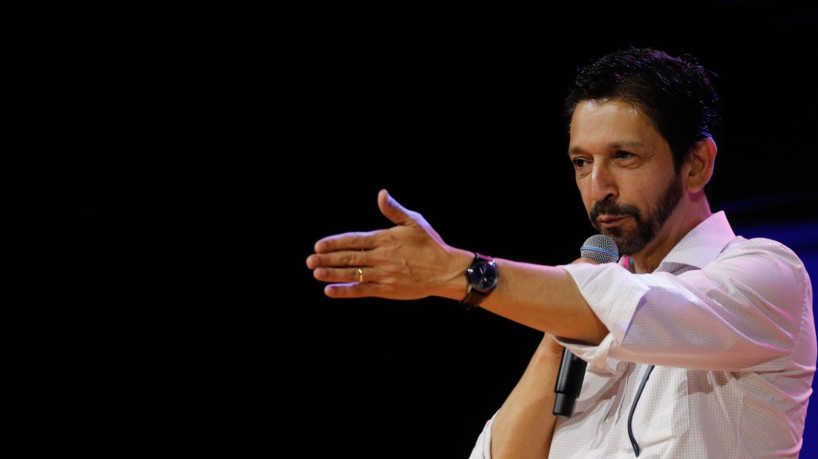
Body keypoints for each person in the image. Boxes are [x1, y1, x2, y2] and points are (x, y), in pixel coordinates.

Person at [305, 48, 816, 457]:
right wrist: (557, 330)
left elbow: (635, 310)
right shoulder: (579, 305)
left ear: (696, 165)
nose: (599, 187)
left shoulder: (767, 275)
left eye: (624, 156)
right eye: (580, 162)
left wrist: (460, 273)